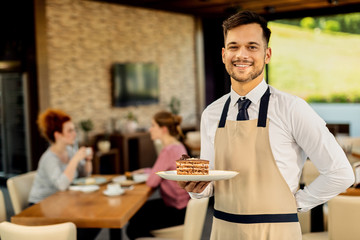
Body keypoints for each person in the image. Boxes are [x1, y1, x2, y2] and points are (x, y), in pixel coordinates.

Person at [178, 10, 354, 240]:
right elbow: (211, 183)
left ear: (267, 54)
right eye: (233, 46)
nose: (241, 55)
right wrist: (197, 189)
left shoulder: (292, 109)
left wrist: (294, 205)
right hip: (223, 230)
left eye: (252, 46)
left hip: (277, 232)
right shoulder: (211, 114)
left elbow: (340, 173)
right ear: (223, 54)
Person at [28, 108, 98, 240]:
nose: (74, 134)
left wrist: (88, 160)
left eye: (74, 129)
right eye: (70, 130)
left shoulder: (69, 151)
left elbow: (84, 175)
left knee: (95, 221)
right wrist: (76, 159)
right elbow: (62, 185)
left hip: (61, 203)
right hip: (41, 208)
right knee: (86, 227)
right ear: (57, 135)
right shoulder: (49, 158)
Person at [126, 111, 190, 240]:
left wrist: (148, 173)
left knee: (133, 225)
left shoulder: (168, 150)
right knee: (137, 213)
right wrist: (144, 171)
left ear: (163, 129)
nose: (150, 129)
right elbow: (162, 171)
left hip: (176, 212)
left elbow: (152, 182)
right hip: (185, 208)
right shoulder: (177, 146)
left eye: (153, 125)